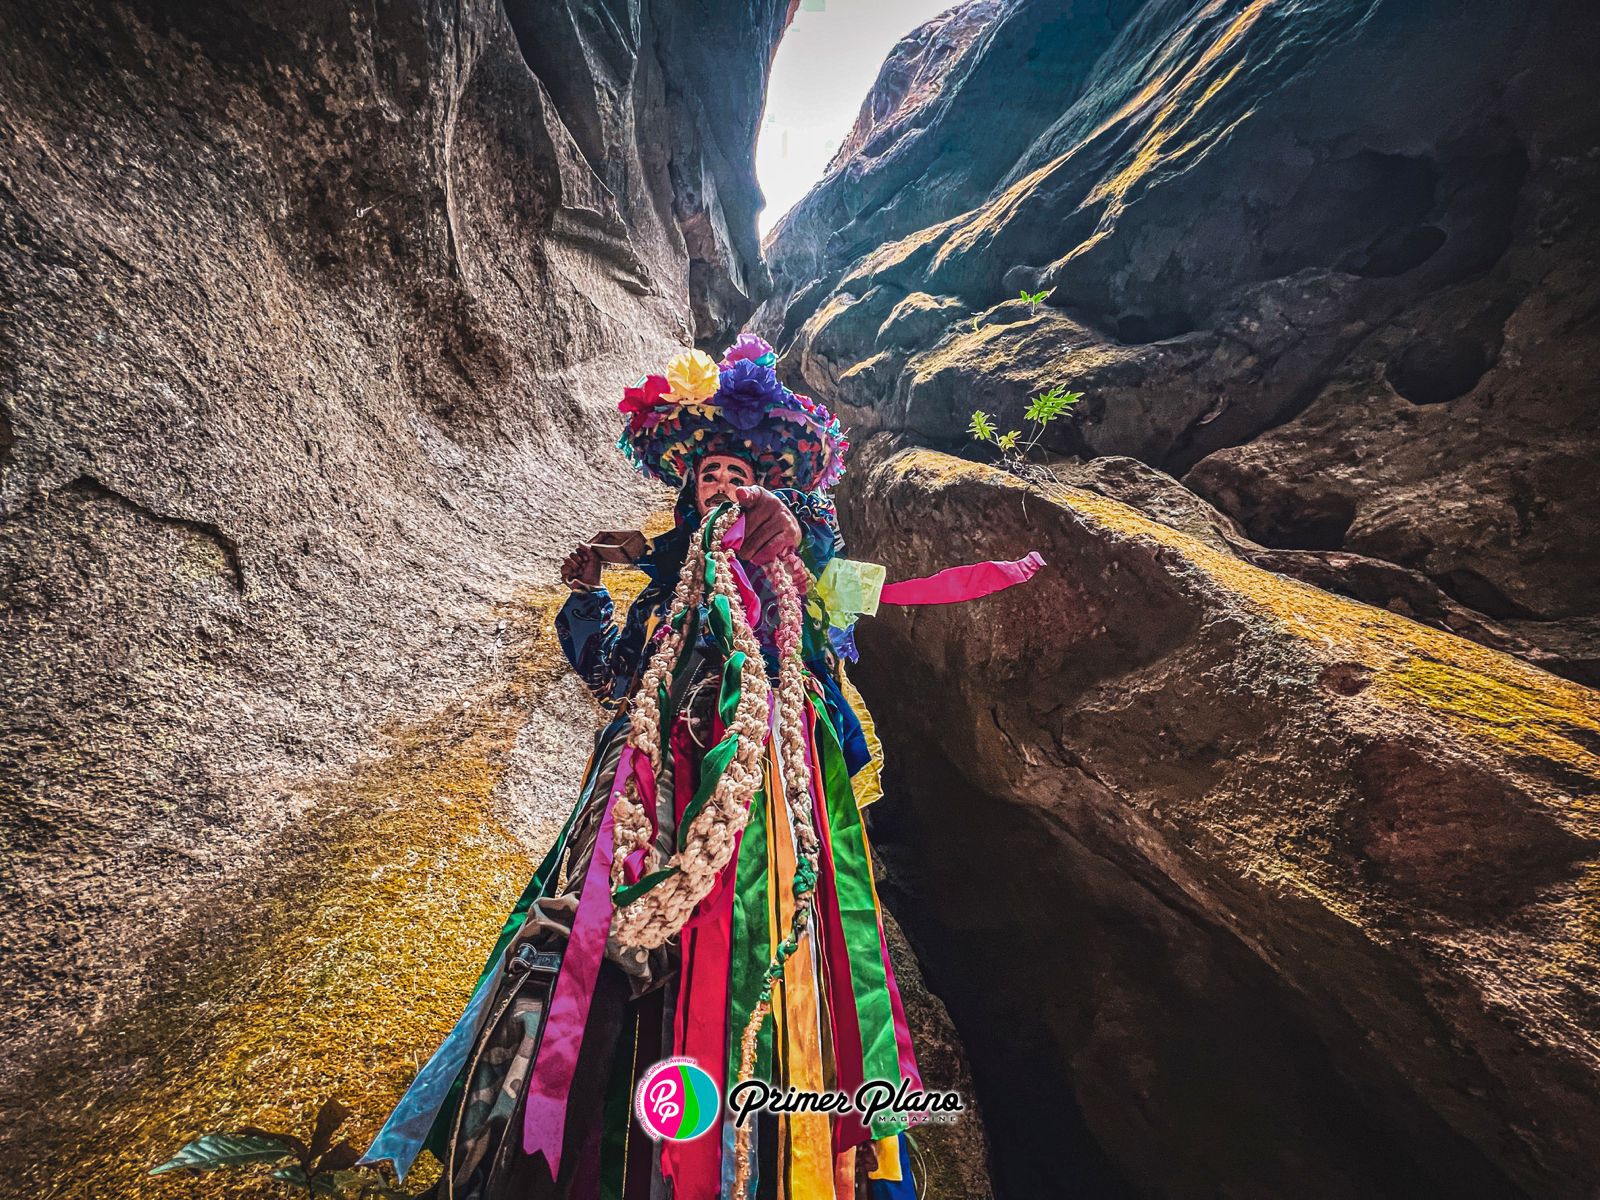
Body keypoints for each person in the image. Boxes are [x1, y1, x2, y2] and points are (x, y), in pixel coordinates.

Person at [359, 334, 923, 1199]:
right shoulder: (666, 591)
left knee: (759, 934)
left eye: (742, 476)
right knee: (604, 935)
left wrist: (781, 540)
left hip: (768, 767)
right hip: (641, 774)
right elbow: (617, 677)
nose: (728, 488)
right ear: (687, 495)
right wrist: (591, 592)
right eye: (711, 478)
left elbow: (831, 596)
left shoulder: (790, 559)